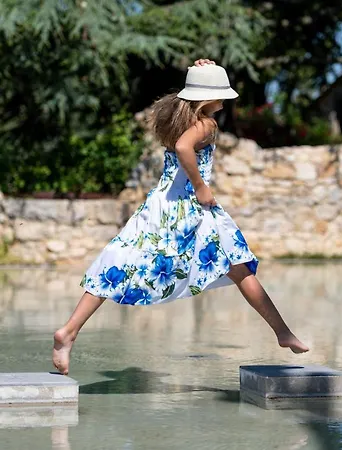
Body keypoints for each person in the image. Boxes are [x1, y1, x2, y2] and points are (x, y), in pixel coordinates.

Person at [52, 59, 309, 375]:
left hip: (161, 203)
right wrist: (201, 187)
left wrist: (201, 71)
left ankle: (69, 331)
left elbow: (180, 142)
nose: (225, 99)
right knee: (240, 268)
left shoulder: (182, 119)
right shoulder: (205, 124)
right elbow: (184, 147)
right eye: (221, 93)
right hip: (190, 209)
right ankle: (282, 331)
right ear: (208, 98)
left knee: (117, 263)